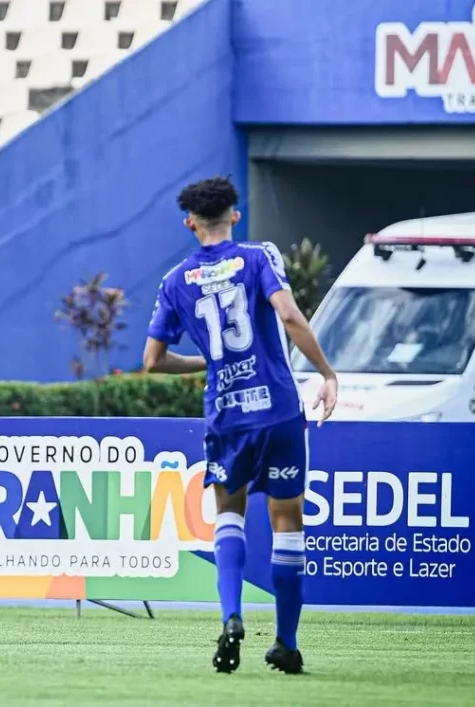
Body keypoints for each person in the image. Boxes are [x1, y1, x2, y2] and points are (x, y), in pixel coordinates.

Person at [142, 177, 337, 674]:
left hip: (227, 414)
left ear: (190, 223)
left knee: (228, 516)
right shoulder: (257, 257)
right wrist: (326, 372)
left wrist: (207, 362)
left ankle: (230, 618)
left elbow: (153, 360)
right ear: (235, 215)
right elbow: (289, 315)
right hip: (277, 407)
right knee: (287, 522)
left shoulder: (175, 280)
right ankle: (286, 643)